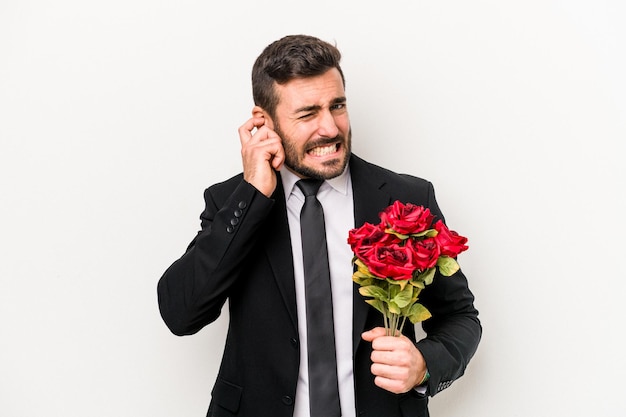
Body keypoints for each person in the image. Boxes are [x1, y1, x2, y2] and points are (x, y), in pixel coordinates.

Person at [157, 34, 481, 417]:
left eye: (337, 106)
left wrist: (424, 364)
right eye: (308, 113)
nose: (330, 127)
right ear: (264, 122)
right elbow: (181, 313)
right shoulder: (231, 201)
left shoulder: (405, 199)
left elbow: (461, 317)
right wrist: (253, 195)